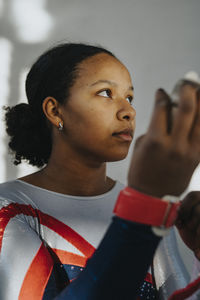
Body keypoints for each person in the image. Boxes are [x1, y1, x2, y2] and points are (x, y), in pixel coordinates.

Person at [0, 43, 200, 300]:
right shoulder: (10, 208)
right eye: (106, 93)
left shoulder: (148, 207)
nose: (128, 111)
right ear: (55, 110)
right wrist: (145, 205)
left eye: (129, 98)